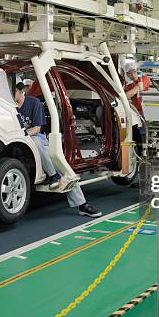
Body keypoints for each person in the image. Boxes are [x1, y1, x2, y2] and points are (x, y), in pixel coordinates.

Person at [14, 83, 101, 217]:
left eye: (13, 91)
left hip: (37, 139)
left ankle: (81, 204)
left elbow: (37, 128)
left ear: (21, 91)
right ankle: (53, 175)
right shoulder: (9, 107)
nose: (11, 95)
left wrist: (23, 136)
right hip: (20, 142)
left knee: (60, 164)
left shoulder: (34, 103)